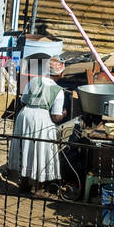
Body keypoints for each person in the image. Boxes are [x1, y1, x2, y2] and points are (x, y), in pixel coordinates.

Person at [7, 48, 68, 195]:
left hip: (25, 115)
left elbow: (23, 100)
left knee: (25, 148)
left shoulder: (34, 80)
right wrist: (64, 114)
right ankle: (38, 188)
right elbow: (55, 117)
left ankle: (24, 185)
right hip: (42, 119)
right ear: (60, 74)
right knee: (41, 150)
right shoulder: (58, 90)